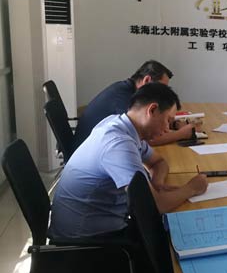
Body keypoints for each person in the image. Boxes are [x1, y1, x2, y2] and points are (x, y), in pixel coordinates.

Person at [49, 82, 208, 240]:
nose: (167, 129)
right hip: (85, 240)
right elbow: (154, 206)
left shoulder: (121, 124)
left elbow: (158, 162)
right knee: (179, 235)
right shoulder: (119, 144)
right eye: (168, 120)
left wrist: (157, 184)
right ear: (152, 110)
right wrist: (191, 188)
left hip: (96, 222)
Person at [73, 60, 197, 150]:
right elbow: (147, 138)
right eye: (160, 87)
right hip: (87, 153)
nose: (163, 93)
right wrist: (183, 134)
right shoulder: (124, 98)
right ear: (147, 80)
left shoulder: (127, 90)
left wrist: (173, 124)